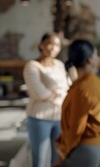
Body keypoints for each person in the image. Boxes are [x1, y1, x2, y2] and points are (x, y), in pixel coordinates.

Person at [55, 39, 100, 167]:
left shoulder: (84, 87)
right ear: (89, 60)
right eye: (95, 55)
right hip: (94, 148)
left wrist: (63, 152)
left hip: (83, 149)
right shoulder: (92, 83)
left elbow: (76, 127)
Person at [23, 33, 69, 167]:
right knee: (40, 160)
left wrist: (56, 92)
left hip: (59, 117)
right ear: (41, 45)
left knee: (58, 159)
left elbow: (67, 87)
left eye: (57, 45)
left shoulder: (59, 65)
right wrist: (60, 91)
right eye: (50, 44)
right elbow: (40, 94)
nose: (53, 48)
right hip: (39, 119)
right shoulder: (32, 66)